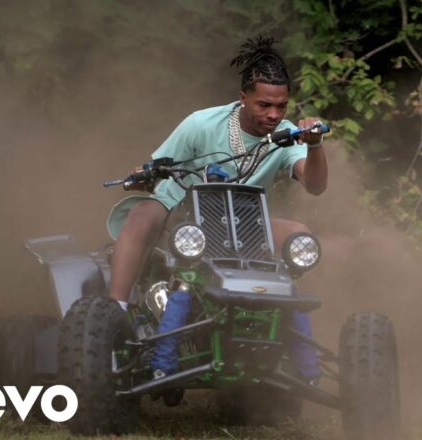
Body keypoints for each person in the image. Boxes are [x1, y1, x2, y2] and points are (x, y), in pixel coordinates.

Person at [105, 35, 327, 382]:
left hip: (244, 223)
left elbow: (315, 185)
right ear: (243, 99)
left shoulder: (286, 136)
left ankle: (280, 339)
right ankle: (114, 313)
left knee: (299, 233)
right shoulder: (201, 124)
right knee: (142, 214)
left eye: (281, 106)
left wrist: (314, 146)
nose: (274, 114)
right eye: (264, 105)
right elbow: (156, 165)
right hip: (184, 211)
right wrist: (142, 175)